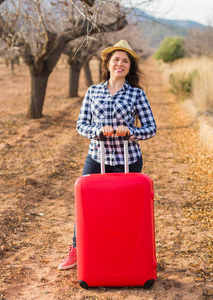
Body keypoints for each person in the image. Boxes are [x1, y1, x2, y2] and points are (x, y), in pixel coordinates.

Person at [58, 40, 157, 270]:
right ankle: (77, 249)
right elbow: (81, 125)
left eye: (125, 60)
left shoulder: (137, 95)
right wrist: (96, 131)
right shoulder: (93, 92)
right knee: (87, 205)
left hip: (128, 159)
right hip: (97, 157)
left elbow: (151, 128)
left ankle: (124, 250)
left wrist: (131, 131)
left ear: (129, 67)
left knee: (124, 210)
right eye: (116, 60)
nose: (120, 64)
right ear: (108, 64)